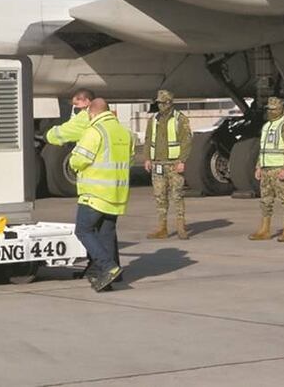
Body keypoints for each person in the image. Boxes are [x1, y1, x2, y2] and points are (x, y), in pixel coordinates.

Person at [69, 98, 131, 292]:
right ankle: (108, 279)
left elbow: (78, 160)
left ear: (92, 113)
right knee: (106, 234)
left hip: (95, 193)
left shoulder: (95, 131)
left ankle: (108, 267)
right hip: (117, 194)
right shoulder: (124, 133)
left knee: (83, 230)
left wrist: (72, 162)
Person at [143, 89, 193, 240]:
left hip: (174, 164)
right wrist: (147, 158)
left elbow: (187, 140)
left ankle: (180, 226)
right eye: (159, 103)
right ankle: (162, 227)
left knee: (177, 195)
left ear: (169, 103)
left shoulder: (180, 119)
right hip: (158, 164)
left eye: (163, 103)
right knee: (160, 196)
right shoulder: (153, 120)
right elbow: (147, 139)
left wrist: (182, 160)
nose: (160, 106)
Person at [249, 96, 284, 242]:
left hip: (278, 169)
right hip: (266, 170)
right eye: (269, 109)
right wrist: (258, 167)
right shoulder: (266, 126)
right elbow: (263, 149)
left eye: (273, 109)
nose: (270, 111)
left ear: (280, 109)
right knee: (265, 201)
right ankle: (265, 229)